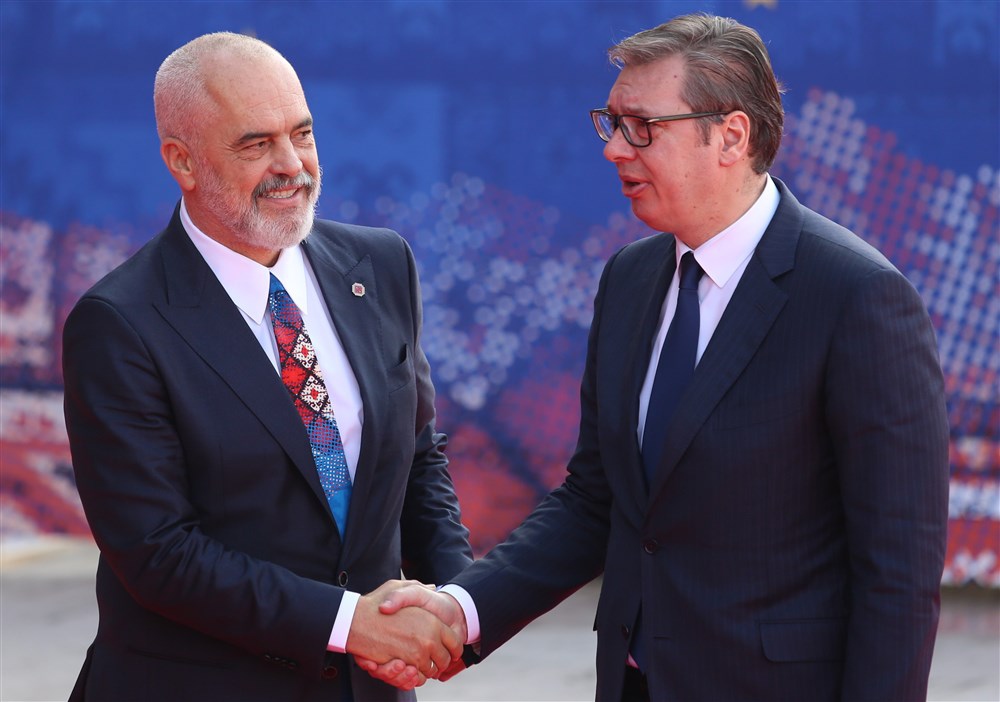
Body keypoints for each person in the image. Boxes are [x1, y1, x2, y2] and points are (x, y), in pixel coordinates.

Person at [367, 12, 950, 701]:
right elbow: (596, 498)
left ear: (731, 136)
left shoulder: (857, 297)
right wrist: (462, 610)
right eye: (612, 123)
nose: (615, 149)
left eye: (643, 127)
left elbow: (898, 576)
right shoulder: (630, 278)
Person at [62, 32, 472, 701]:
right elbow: (157, 551)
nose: (292, 165)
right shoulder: (119, 323)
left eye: (302, 134)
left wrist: (456, 603)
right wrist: (349, 624)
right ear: (183, 161)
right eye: (256, 145)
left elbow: (417, 455)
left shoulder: (381, 264)